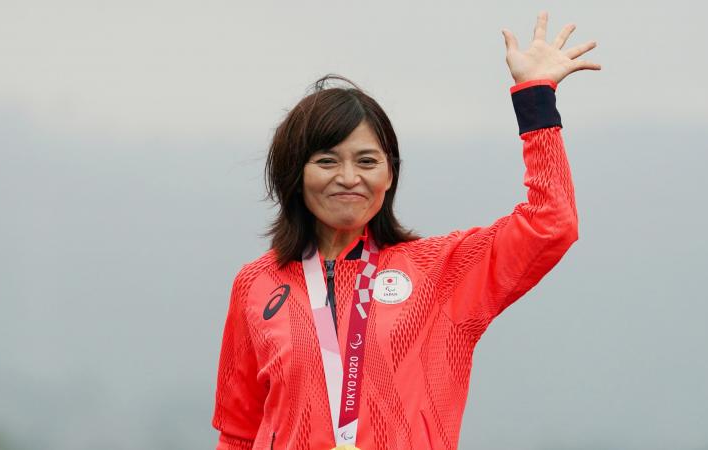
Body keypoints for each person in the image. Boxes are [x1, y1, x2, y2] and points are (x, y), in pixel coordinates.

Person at [212, 11, 600, 450]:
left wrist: (536, 100)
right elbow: (238, 434)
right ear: (294, 173)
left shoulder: (442, 272)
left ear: (390, 174)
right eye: (326, 161)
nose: (348, 178)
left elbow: (551, 223)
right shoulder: (256, 284)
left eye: (366, 161)